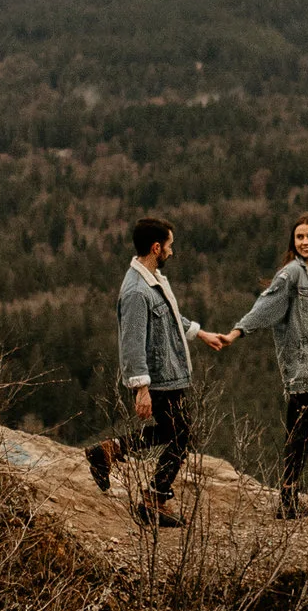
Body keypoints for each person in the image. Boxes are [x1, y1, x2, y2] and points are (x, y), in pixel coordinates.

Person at [85, 216, 224, 528]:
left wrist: (201, 334)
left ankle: (108, 451)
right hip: (158, 377)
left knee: (172, 432)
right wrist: (141, 389)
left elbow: (171, 317)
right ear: (156, 247)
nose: (172, 252)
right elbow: (132, 343)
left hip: (169, 374)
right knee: (181, 434)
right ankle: (153, 500)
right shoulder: (136, 291)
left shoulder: (153, 279)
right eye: (169, 246)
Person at [220, 212, 308, 518]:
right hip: (301, 369)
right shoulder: (292, 274)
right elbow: (266, 305)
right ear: (293, 242)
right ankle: (286, 500)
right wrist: (237, 332)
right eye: (300, 237)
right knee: (298, 435)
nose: (305, 242)